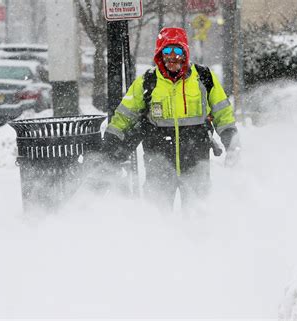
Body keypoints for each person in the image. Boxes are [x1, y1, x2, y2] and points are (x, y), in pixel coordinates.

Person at [102, 27, 240, 209]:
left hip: (195, 159)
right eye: (167, 51)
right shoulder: (147, 81)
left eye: (178, 51)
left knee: (197, 212)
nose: (172, 56)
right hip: (158, 160)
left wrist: (230, 139)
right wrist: (112, 139)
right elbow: (125, 114)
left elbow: (223, 112)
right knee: (158, 213)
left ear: (185, 53)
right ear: (160, 54)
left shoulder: (204, 77)